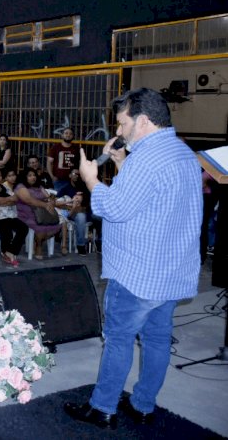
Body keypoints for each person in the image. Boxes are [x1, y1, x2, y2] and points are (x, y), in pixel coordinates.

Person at [65, 88, 202, 429]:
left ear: (142, 120)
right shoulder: (182, 153)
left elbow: (115, 207)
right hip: (172, 272)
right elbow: (151, 201)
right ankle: (142, 405)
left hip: (138, 272)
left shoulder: (147, 158)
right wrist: (121, 163)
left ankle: (103, 408)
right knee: (156, 339)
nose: (119, 131)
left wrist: (91, 179)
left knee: (119, 339)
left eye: (123, 123)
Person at [14, 169, 65, 259]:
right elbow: (29, 201)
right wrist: (45, 205)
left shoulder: (39, 186)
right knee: (40, 227)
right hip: (26, 214)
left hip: (42, 213)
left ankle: (37, 241)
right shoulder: (20, 187)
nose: (33, 177)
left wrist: (51, 200)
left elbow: (48, 197)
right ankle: (39, 246)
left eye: (34, 175)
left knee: (58, 224)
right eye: (29, 175)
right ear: (24, 177)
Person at [47, 127, 79, 195]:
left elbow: (78, 164)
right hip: (58, 180)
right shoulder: (55, 147)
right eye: (66, 133)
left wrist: (75, 175)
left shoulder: (76, 148)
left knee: (71, 200)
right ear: (62, 135)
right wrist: (52, 176)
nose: (68, 135)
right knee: (59, 200)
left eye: (70, 134)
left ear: (73, 136)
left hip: (72, 181)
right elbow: (49, 162)